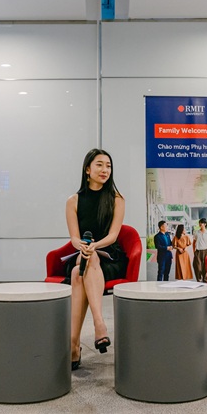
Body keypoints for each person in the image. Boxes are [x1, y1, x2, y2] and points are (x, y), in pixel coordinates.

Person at [65, 148, 127, 370]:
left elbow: (113, 236)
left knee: (84, 266)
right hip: (83, 254)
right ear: (87, 169)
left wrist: (94, 246)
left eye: (108, 165)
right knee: (78, 270)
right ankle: (94, 327)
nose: (105, 170)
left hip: (109, 255)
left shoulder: (117, 199)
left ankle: (74, 344)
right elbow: (73, 236)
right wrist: (82, 246)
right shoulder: (73, 200)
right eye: (99, 164)